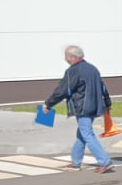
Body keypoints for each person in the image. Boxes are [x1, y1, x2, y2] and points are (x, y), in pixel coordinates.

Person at [43, 46, 114, 174]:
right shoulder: (93, 68)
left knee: (87, 134)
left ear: (73, 57)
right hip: (95, 106)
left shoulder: (73, 71)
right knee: (81, 134)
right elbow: (103, 87)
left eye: (66, 56)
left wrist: (48, 104)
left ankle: (104, 161)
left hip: (83, 107)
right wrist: (107, 103)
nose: (65, 59)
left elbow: (63, 90)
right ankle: (76, 163)